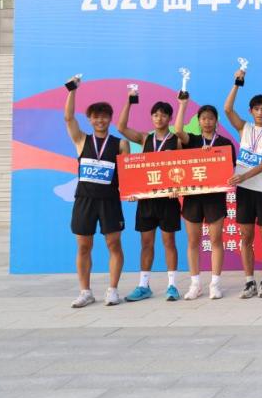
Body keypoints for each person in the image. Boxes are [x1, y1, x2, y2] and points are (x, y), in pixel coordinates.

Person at [64, 76, 128, 308]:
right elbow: (68, 117)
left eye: (104, 116)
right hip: (85, 200)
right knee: (83, 246)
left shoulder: (120, 144)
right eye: (95, 116)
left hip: (109, 201)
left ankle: (113, 290)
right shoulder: (81, 140)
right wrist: (72, 90)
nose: (100, 120)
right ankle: (85, 292)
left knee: (114, 245)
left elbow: (129, 174)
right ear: (90, 119)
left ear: (110, 118)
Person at [224, 67, 262, 299]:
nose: (260, 112)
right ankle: (249, 281)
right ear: (250, 111)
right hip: (245, 191)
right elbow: (227, 109)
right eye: (256, 109)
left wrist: (244, 175)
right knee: (245, 237)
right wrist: (237, 83)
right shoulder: (244, 128)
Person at [117, 91, 182, 302]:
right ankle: (144, 286)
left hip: (168, 199)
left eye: (163, 115)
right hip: (146, 200)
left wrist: (179, 188)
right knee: (146, 243)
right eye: (155, 115)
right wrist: (129, 101)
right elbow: (121, 127)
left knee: (169, 242)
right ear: (151, 117)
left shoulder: (177, 141)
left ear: (170, 118)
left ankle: (172, 286)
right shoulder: (145, 138)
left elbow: (186, 168)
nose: (159, 118)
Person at [173, 98, 236, 300]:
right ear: (198, 121)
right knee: (193, 241)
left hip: (215, 198)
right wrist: (182, 105)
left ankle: (215, 284)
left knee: (216, 240)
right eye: (203, 118)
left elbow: (230, 170)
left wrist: (213, 156)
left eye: (211, 118)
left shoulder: (224, 144)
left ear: (216, 121)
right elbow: (177, 130)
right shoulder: (191, 140)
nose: (207, 122)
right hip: (193, 197)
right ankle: (195, 284)